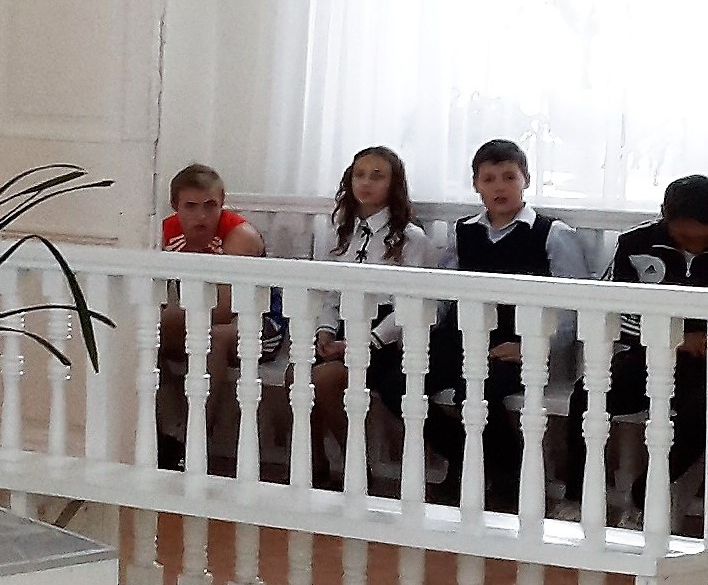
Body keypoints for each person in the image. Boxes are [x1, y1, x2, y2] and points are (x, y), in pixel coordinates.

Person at [430, 138, 595, 505]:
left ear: (526, 180)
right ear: (476, 184)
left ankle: (510, 480)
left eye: (509, 177)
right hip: (462, 340)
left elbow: (572, 306)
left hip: (518, 347)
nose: (499, 187)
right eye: (489, 179)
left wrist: (533, 346)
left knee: (477, 390)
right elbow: (443, 294)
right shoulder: (463, 233)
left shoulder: (552, 234)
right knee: (397, 382)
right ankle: (469, 458)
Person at [563, 176, 708, 507]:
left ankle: (646, 494)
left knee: (701, 413)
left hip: (702, 365)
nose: (696, 246)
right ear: (665, 216)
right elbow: (611, 308)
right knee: (586, 395)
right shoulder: (635, 243)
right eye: (687, 237)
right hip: (645, 354)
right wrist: (675, 338)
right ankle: (577, 496)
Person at [305, 146, 431, 485]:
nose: (366, 183)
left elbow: (409, 304)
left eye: (377, 176)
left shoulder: (409, 237)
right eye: (360, 175)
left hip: (383, 338)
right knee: (297, 374)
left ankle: (357, 466)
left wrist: (366, 341)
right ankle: (313, 464)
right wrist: (325, 331)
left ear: (393, 184)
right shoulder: (340, 230)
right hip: (344, 325)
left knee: (325, 379)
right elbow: (329, 292)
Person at [156, 164, 279, 472]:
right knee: (142, 333)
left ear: (222, 202)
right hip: (198, 321)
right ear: (175, 205)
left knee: (213, 338)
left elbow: (225, 308)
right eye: (191, 206)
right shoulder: (164, 233)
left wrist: (168, 317)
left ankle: (194, 440)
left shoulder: (239, 236)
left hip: (258, 324)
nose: (201, 216)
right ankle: (169, 430)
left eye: (210, 205)